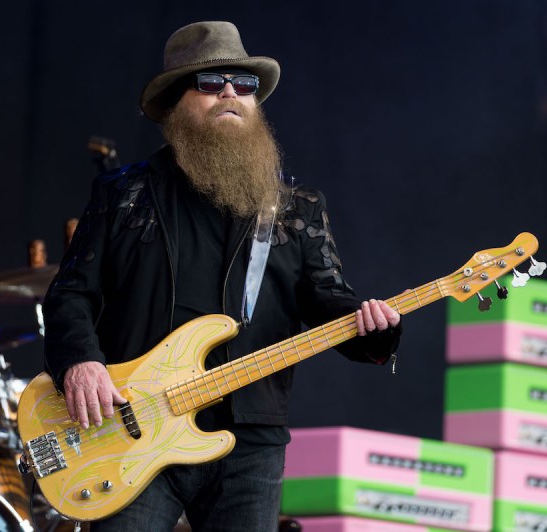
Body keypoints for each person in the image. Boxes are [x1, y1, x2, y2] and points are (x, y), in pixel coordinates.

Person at [43, 20, 402, 532]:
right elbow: (70, 294)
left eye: (244, 84)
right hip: (135, 428)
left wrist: (377, 328)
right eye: (211, 83)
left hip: (250, 441)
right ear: (176, 102)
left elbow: (330, 300)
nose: (231, 93)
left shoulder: (294, 207)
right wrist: (80, 361)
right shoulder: (124, 195)